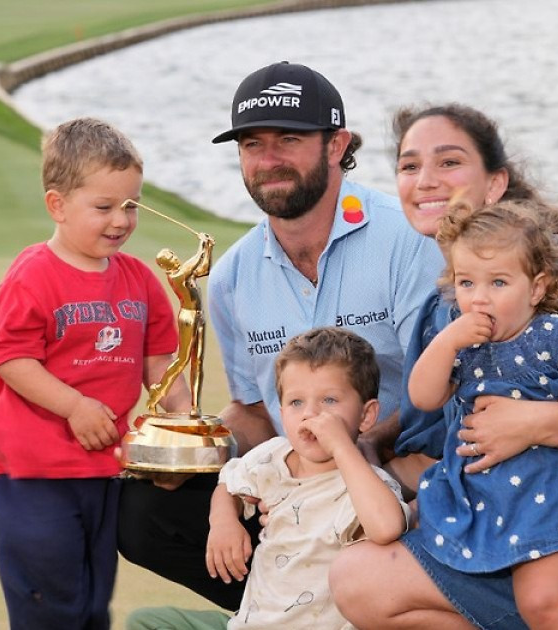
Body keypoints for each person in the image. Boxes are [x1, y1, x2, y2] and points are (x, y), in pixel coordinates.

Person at [330, 104, 558, 629]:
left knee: (369, 577)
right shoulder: (446, 307)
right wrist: (362, 447)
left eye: (449, 162)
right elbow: (434, 427)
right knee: (359, 581)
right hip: (508, 530)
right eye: (409, 167)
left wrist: (531, 425)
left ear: (496, 183)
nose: (426, 180)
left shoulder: (555, 268)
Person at [117, 61, 443, 611]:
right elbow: (254, 411)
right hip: (295, 482)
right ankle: (287, 607)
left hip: (394, 471)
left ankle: (377, 603)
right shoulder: (233, 277)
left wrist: (359, 452)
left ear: (338, 144)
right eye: (252, 143)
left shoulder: (407, 240)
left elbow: (438, 389)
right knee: (143, 511)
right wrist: (192, 454)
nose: (268, 160)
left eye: (288, 139)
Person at [0, 117, 190, 629]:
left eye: (131, 205)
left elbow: (160, 362)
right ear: (58, 205)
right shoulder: (32, 274)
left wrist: (184, 426)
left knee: (93, 601)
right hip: (35, 472)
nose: (121, 220)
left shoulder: (139, 279)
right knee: (49, 600)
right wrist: (74, 405)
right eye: (104, 207)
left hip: (105, 468)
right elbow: (11, 358)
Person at [408, 199, 558, 629]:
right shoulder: (459, 339)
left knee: (541, 603)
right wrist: (445, 343)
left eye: (498, 282)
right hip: (481, 498)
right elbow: (423, 396)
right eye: (466, 283)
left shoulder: (550, 337)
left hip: (544, 497)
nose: (479, 298)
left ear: (535, 288)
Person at [125, 327, 411, 630]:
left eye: (329, 401)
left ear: (366, 416)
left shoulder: (365, 484)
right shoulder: (272, 455)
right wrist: (224, 522)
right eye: (296, 402)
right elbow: (229, 483)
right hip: (251, 623)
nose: (310, 414)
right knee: (146, 622)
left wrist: (341, 446)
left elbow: (387, 526)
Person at [146, 231, 214, 414]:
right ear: (165, 265)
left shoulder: (185, 273)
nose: (174, 257)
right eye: (170, 257)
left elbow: (204, 268)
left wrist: (209, 248)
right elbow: (193, 264)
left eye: (173, 254)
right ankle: (158, 391)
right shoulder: (177, 277)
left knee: (197, 362)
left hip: (199, 316)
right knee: (182, 360)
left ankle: (194, 406)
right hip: (188, 317)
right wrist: (202, 244)